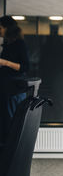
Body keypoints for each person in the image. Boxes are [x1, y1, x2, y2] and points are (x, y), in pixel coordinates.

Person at [0, 16, 29, 144]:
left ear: (7, 28)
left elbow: (24, 67)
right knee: (5, 122)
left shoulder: (19, 44)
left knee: (12, 122)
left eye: (0, 28)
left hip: (14, 90)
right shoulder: (7, 44)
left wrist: (4, 62)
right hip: (6, 89)